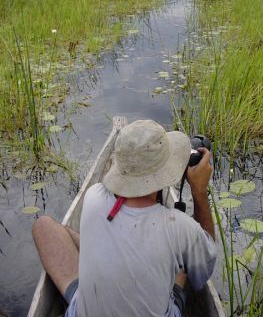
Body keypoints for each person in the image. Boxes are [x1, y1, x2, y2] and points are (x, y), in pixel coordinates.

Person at [32, 120, 216, 317]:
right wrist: (199, 192)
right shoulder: (181, 228)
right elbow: (202, 276)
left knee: (44, 225)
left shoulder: (94, 195)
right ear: (164, 171)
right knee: (185, 263)